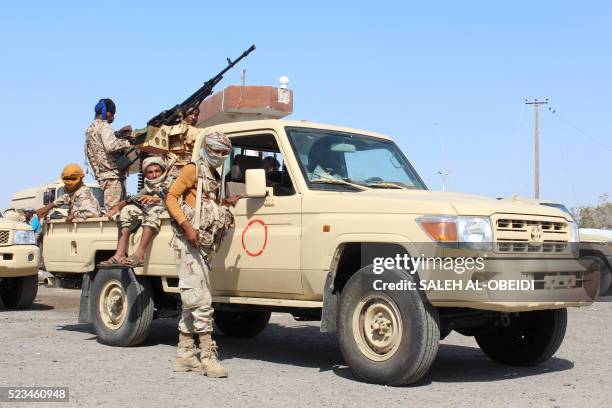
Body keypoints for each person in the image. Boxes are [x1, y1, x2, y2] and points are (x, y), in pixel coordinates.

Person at [166, 132, 241, 378]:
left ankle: (185, 354)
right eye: (216, 151)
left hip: (204, 244)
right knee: (202, 299)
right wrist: (186, 227)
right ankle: (208, 355)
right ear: (207, 149)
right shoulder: (192, 169)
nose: (220, 156)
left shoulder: (215, 175)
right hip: (189, 243)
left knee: (192, 298)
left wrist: (226, 203)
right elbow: (171, 197)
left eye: (224, 153)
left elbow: (205, 204)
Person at [100, 157, 168, 267]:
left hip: (165, 210)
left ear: (163, 172)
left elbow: (173, 198)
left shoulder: (169, 182)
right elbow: (131, 199)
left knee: (153, 209)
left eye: (157, 171)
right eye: (150, 172)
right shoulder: (148, 186)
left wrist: (155, 199)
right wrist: (116, 208)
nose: (154, 175)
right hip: (150, 209)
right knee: (127, 210)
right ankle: (120, 254)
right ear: (146, 175)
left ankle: (140, 254)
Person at [85, 98, 133, 210]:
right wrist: (129, 142)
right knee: (114, 211)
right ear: (105, 112)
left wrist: (117, 134)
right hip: (112, 177)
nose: (113, 117)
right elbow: (110, 146)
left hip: (103, 176)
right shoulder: (105, 126)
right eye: (112, 113)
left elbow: (100, 145)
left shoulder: (90, 129)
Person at [37, 164, 102, 222]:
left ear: (81, 179)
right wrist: (47, 207)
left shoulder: (84, 194)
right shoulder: (73, 191)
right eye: (67, 179)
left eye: (73, 179)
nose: (69, 184)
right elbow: (64, 198)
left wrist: (74, 215)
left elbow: (93, 213)